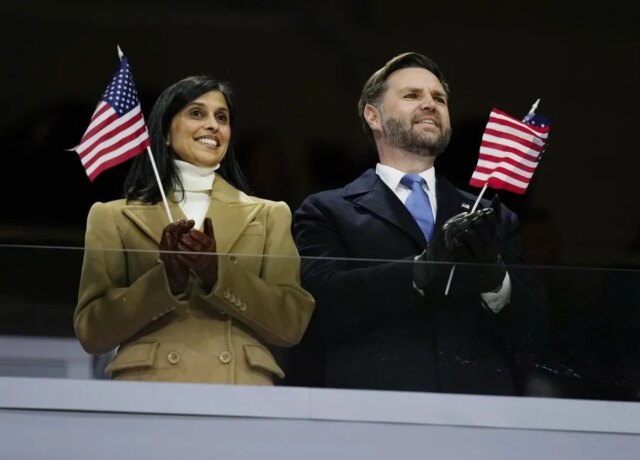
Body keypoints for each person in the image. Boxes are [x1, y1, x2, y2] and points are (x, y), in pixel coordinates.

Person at [290, 52, 545, 394]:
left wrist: (495, 281)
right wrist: (417, 271)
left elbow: (534, 335)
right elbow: (319, 307)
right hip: (374, 407)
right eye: (412, 95)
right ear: (373, 116)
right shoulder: (327, 210)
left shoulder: (493, 215)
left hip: (477, 411)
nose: (430, 104)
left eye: (439, 99)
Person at [74, 75, 314, 385]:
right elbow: (92, 333)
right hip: (148, 388)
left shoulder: (270, 215)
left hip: (238, 390)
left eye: (222, 117)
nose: (213, 125)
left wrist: (219, 275)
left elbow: (291, 324)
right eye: (197, 113)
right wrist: (166, 281)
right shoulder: (112, 216)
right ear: (165, 131)